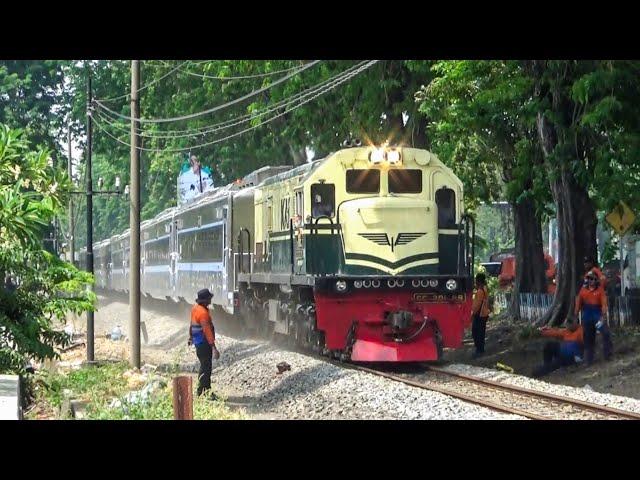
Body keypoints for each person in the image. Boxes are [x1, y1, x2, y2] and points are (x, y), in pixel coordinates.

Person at [575, 271, 613, 365]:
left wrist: (603, 316)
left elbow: (604, 304)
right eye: (589, 278)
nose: (591, 281)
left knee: (605, 332)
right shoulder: (583, 290)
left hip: (597, 315)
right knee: (588, 337)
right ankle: (588, 359)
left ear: (596, 280)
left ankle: (607, 354)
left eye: (593, 279)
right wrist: (575, 315)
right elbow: (578, 304)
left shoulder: (600, 290)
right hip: (587, 315)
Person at [189, 288, 220, 397]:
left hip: (198, 342)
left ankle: (203, 391)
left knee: (204, 366)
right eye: (209, 298)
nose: (210, 299)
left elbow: (191, 324)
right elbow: (207, 331)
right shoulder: (203, 313)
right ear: (205, 300)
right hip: (204, 343)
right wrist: (214, 348)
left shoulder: (195, 309)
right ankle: (204, 392)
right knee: (206, 368)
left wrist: (190, 337)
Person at [471, 273, 490, 358]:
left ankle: (479, 350)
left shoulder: (480, 291)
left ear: (478, 281)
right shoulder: (485, 288)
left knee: (476, 333)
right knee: (481, 332)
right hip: (484, 313)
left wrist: (473, 313)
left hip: (480, 314)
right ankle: (480, 349)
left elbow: (477, 305)